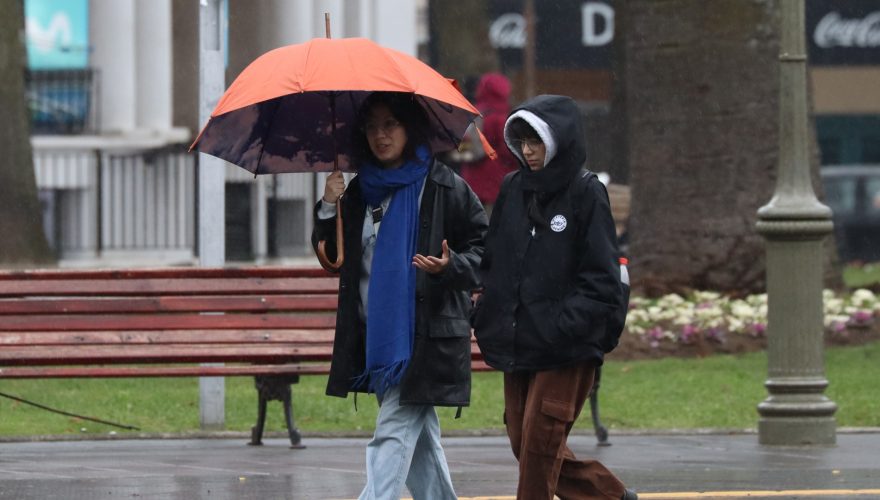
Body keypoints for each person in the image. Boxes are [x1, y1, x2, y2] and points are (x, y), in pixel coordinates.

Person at [312, 91, 488, 500]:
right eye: (372, 126)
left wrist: (451, 267)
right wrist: (327, 205)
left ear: (410, 127)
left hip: (423, 337)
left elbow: (484, 250)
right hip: (376, 335)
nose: (380, 134)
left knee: (391, 434)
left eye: (390, 124)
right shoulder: (357, 192)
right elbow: (333, 257)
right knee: (420, 443)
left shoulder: (444, 185)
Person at [470, 94, 637, 500]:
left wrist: (563, 325)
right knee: (523, 442)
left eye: (536, 142)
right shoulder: (513, 188)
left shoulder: (586, 192)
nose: (527, 152)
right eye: (522, 142)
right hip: (519, 340)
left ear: (559, 140)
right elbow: (495, 259)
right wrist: (485, 306)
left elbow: (601, 278)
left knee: (540, 447)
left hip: (566, 347)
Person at [459, 72, 518, 215]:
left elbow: (464, 149)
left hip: (471, 182)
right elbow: (509, 152)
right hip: (495, 185)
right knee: (495, 227)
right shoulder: (500, 118)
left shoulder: (474, 113)